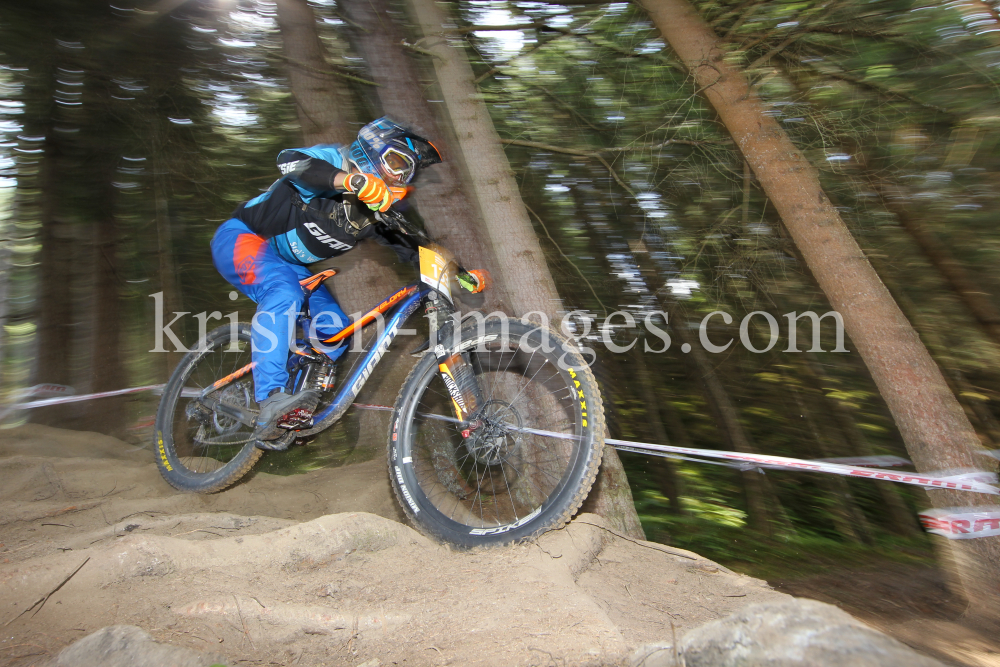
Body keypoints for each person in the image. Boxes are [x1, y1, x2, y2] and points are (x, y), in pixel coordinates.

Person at [210, 117, 441, 445]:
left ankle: (293, 410)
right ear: (373, 149)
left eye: (407, 172)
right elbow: (290, 162)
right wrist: (350, 180)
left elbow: (417, 247)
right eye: (395, 163)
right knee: (283, 293)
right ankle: (271, 397)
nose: (398, 176)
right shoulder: (336, 160)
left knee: (335, 331)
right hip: (242, 238)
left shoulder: (376, 211)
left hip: (289, 265)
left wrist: (457, 272)